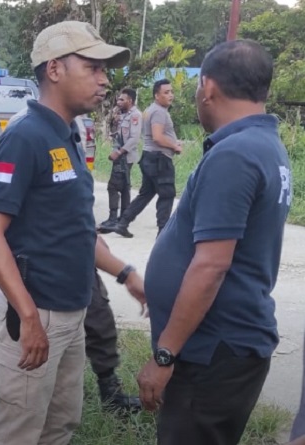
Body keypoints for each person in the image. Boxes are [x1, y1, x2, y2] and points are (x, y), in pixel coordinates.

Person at [0, 21, 131, 444]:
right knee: (14, 434)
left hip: (69, 313)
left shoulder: (69, 134)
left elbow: (76, 229)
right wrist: (28, 317)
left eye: (106, 70)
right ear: (55, 69)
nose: (104, 80)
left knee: (58, 425)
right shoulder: (25, 136)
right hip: (35, 314)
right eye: (93, 67)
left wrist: (127, 275)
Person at [136, 40, 292, 445]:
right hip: (226, 344)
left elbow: (211, 266)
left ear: (207, 87)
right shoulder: (265, 144)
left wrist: (165, 354)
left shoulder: (235, 154)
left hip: (212, 350)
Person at [0, 236, 146, 413]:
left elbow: (86, 233)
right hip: (34, 269)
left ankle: (110, 390)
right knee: (13, 343)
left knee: (100, 318)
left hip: (76, 264)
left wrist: (125, 273)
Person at [102, 79, 182, 238]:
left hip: (149, 157)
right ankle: (163, 233)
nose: (171, 95)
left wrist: (173, 142)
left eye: (171, 92)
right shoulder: (159, 111)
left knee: (146, 193)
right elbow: (158, 137)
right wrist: (175, 146)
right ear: (156, 95)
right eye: (166, 92)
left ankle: (123, 222)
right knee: (166, 194)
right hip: (159, 159)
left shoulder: (150, 110)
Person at [98, 88, 142, 230]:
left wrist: (119, 152)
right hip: (120, 155)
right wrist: (115, 122)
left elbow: (134, 139)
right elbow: (116, 134)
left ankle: (113, 219)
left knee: (113, 187)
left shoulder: (135, 115)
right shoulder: (122, 114)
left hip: (125, 157)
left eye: (122, 99)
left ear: (130, 100)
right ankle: (122, 219)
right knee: (124, 188)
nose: (118, 102)